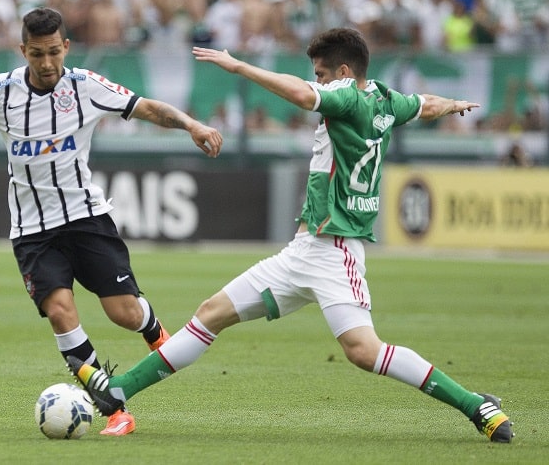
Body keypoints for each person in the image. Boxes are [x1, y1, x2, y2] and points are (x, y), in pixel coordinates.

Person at [66, 27, 515, 444]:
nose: (315, 81)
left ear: (343, 73)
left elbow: (302, 95)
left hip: (336, 251)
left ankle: (477, 406)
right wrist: (453, 103)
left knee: (362, 350)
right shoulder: (385, 100)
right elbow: (425, 104)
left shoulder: (348, 98)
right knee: (211, 313)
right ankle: (118, 392)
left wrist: (239, 66)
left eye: (321, 73)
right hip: (303, 251)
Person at [0, 7, 223, 436]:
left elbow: (145, 107)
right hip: (32, 230)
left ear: (67, 48)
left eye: (54, 53)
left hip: (86, 218)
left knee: (124, 313)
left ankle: (151, 327)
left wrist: (191, 125)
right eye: (37, 54)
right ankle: (112, 405)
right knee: (60, 311)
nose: (46, 64)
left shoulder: (86, 86)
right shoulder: (1, 92)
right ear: (23, 50)